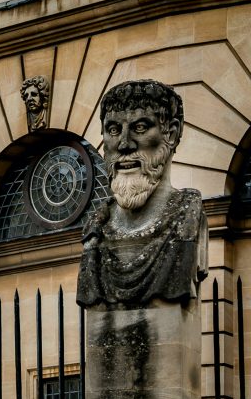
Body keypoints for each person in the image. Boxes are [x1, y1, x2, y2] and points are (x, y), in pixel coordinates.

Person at [77, 80, 207, 308]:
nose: (124, 145)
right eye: (114, 130)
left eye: (140, 128)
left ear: (172, 134)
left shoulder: (188, 216)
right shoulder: (95, 228)